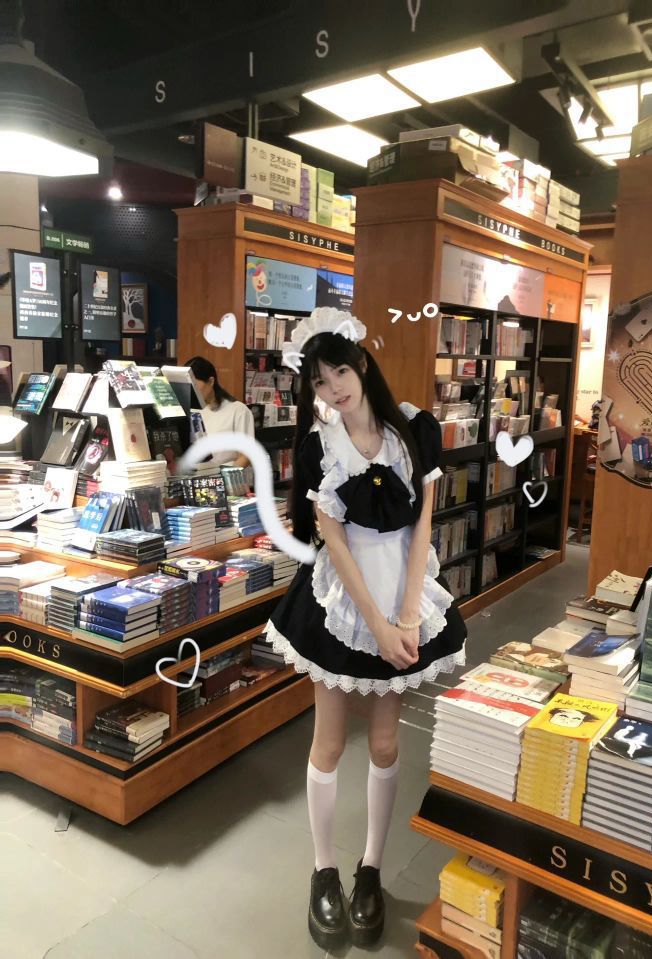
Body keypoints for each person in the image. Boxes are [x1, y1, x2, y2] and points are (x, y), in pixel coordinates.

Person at [265, 307, 467, 949]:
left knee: (384, 745)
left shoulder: (413, 431)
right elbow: (333, 541)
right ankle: (323, 871)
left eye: (340, 373)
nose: (333, 389)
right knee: (327, 744)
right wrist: (377, 624)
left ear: (362, 365)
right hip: (344, 603)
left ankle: (371, 869)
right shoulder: (318, 446)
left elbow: (424, 523)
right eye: (319, 382)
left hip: (402, 594)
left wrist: (406, 616)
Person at [185, 356, 254, 468]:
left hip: (226, 475)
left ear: (211, 381)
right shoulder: (190, 410)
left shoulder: (238, 410)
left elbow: (245, 456)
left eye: (195, 385)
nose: (192, 390)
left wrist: (226, 476)